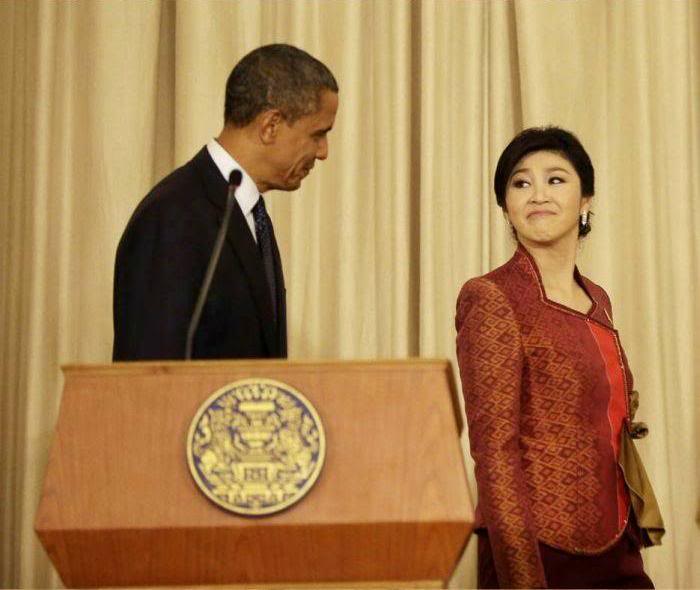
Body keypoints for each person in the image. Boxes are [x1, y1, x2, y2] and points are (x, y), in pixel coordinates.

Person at [455, 127, 664, 588]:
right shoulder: (491, 297)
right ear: (505, 206)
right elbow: (494, 453)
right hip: (539, 548)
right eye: (520, 183)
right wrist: (522, 576)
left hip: (617, 539)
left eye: (555, 179)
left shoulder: (598, 299)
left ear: (585, 199)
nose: (537, 194)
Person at [113, 44, 338, 361]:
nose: (323, 152)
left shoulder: (249, 213)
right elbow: (151, 370)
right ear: (270, 126)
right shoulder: (172, 216)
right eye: (318, 134)